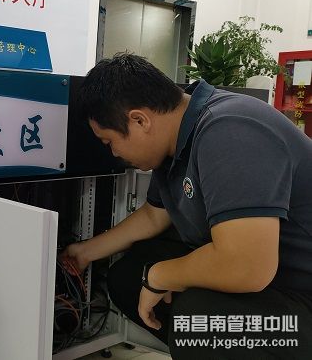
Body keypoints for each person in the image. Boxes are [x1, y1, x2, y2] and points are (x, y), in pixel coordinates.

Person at [62, 53, 312, 359]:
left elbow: (246, 266)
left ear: (139, 120)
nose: (114, 153)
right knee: (128, 278)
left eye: (109, 142)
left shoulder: (230, 130)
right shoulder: (178, 135)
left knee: (197, 321)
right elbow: (155, 216)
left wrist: (161, 276)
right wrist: (85, 252)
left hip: (300, 292)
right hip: (273, 280)